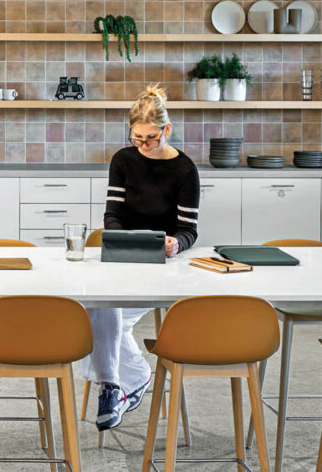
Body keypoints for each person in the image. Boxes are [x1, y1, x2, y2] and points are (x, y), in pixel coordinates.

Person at [83, 83, 200, 431]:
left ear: (166, 129)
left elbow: (189, 230)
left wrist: (176, 244)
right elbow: (111, 215)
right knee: (98, 304)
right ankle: (118, 385)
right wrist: (121, 237)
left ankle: (120, 384)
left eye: (150, 138)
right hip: (121, 257)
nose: (143, 145)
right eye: (137, 138)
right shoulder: (123, 160)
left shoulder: (185, 170)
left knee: (101, 315)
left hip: (161, 267)